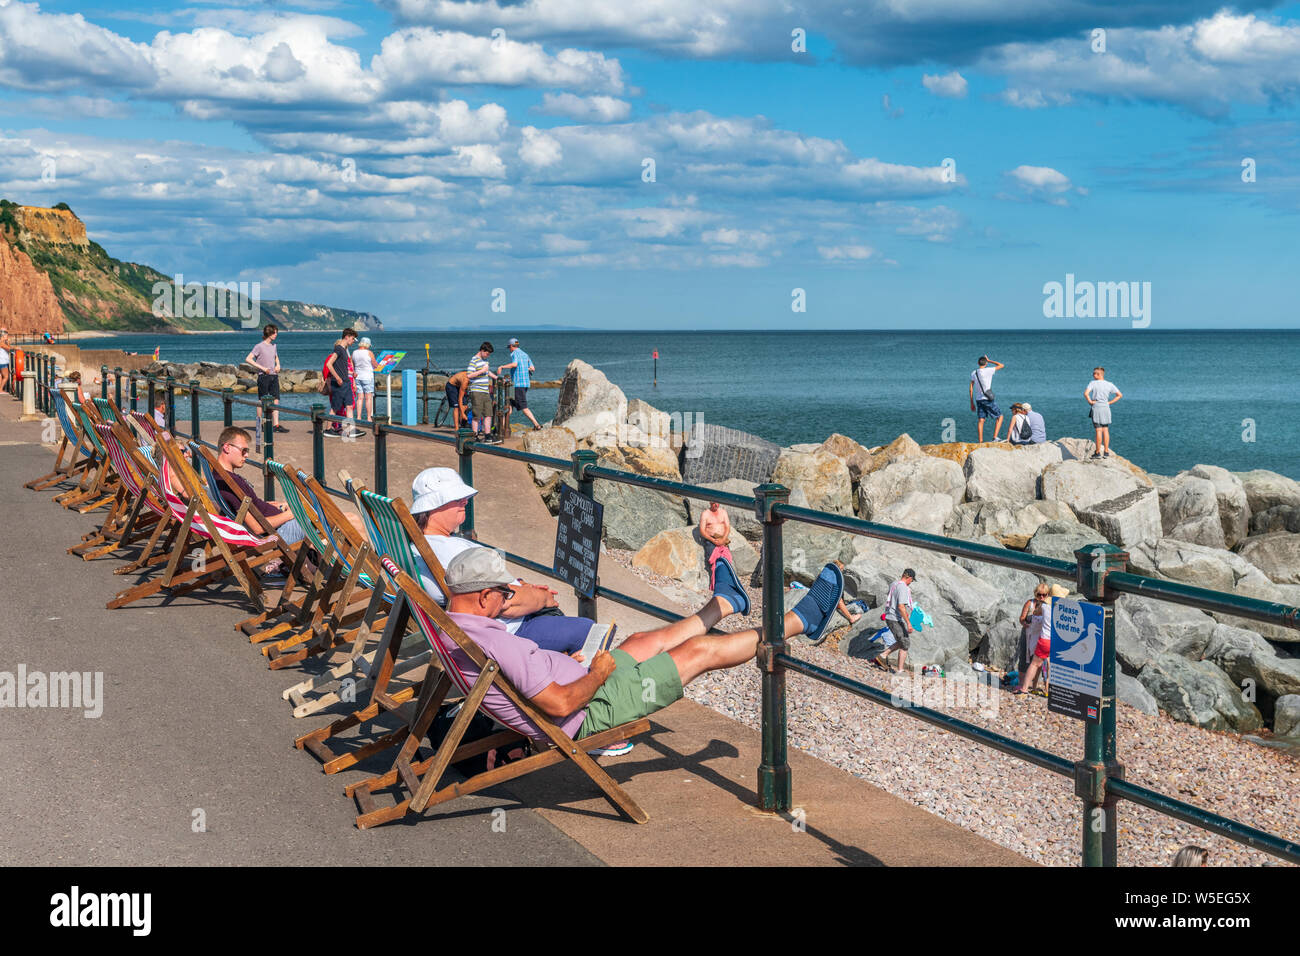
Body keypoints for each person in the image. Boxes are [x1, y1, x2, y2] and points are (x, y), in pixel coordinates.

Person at [439, 547, 845, 749]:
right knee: (697, 652)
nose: (507, 598)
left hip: (576, 681)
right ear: (481, 596)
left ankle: (723, 603)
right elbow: (560, 706)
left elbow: (523, 679)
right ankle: (800, 621)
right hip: (588, 709)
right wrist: (596, 674)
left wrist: (557, 663)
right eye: (503, 592)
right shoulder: (490, 638)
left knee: (640, 641)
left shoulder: (452, 625)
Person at [405, 467, 749, 656]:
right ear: (434, 508)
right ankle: (589, 719)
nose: (465, 504)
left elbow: (496, 596)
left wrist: (523, 591)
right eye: (458, 501)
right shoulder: (452, 553)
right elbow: (503, 605)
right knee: (597, 635)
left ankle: (720, 606)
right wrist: (540, 596)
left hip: (474, 635)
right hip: (507, 635)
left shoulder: (418, 548)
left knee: (613, 641)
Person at [211, 426, 305, 546]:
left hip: (277, 522)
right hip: (277, 532)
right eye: (243, 450)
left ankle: (306, 562)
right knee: (322, 519)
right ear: (227, 447)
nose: (246, 455)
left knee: (316, 518)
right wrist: (291, 513)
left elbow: (254, 505)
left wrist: (279, 506)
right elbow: (257, 528)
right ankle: (290, 562)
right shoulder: (228, 483)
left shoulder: (219, 476)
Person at [246, 323, 289, 434]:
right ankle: (259, 425)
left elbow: (276, 357)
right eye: (275, 332)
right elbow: (248, 359)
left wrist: (278, 365)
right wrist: (263, 368)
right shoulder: (259, 346)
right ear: (269, 333)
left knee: (276, 400)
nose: (276, 335)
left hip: (274, 376)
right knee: (261, 401)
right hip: (263, 376)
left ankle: (276, 425)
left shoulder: (274, 346)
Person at [324, 328, 364, 438]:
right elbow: (329, 364)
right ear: (346, 337)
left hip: (346, 382)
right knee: (335, 407)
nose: (353, 342)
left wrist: (350, 373)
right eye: (352, 339)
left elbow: (341, 366)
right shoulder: (338, 349)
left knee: (349, 406)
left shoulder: (344, 350)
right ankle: (328, 429)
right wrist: (337, 378)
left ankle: (351, 430)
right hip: (339, 384)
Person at [497, 337, 541, 431]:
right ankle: (501, 427)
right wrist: (525, 369)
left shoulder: (514, 353)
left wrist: (502, 367)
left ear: (512, 346)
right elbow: (532, 368)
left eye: (509, 347)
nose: (509, 349)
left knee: (523, 406)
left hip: (517, 384)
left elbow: (515, 364)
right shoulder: (525, 354)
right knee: (509, 406)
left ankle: (537, 424)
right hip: (524, 384)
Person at [877, 569, 916, 673]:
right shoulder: (903, 588)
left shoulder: (894, 584)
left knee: (902, 641)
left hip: (890, 616)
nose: (910, 583)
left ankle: (882, 656)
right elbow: (900, 606)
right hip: (895, 618)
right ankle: (900, 670)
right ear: (910, 578)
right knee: (905, 644)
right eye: (911, 581)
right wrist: (908, 623)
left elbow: (894, 600)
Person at [1016, 584, 1052, 695]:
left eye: (1044, 595)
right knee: (1024, 658)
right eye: (1039, 594)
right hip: (1028, 634)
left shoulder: (1046, 606)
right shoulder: (1030, 603)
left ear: (1047, 595)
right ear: (1035, 594)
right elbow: (1021, 618)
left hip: (1041, 637)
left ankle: (1043, 687)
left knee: (1042, 663)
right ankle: (1023, 683)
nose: (1041, 597)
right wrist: (1025, 623)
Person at [1084, 366, 1122, 459]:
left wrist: (1090, 401)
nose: (1093, 375)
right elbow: (1119, 395)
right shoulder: (1109, 384)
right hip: (1106, 407)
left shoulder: (1093, 383)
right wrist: (1109, 402)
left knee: (1098, 430)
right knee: (1105, 430)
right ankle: (1106, 452)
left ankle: (1097, 452)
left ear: (1098, 374)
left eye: (1094, 373)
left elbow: (1086, 393)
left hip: (1097, 407)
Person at [466, 342, 497, 441]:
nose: (488, 356)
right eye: (487, 353)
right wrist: (481, 371)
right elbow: (469, 375)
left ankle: (488, 435)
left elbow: (487, 372)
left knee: (488, 413)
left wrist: (497, 378)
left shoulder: (485, 360)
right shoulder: (473, 360)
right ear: (482, 351)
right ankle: (474, 436)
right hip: (476, 391)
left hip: (485, 391)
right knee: (477, 414)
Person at [969, 355, 1004, 442]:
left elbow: (970, 388)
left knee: (981, 419)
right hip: (987, 399)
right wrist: (990, 360)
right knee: (1000, 416)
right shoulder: (989, 370)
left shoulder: (974, 373)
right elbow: (1001, 365)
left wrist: (971, 403)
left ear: (978, 363)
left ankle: (980, 441)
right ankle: (995, 437)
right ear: (986, 363)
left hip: (978, 399)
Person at [698, 500, 732, 586]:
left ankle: (726, 582)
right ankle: (716, 583)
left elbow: (727, 527)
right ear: (709, 502)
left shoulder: (723, 512)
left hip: (723, 539)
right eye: (713, 503)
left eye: (717, 503)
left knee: (726, 560)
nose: (716, 505)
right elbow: (702, 531)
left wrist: (723, 539)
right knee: (714, 562)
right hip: (711, 540)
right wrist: (713, 540)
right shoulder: (705, 514)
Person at [352, 336, 376, 422]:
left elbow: (352, 365)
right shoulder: (369, 353)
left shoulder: (354, 352)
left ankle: (358, 417)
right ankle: (369, 418)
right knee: (368, 398)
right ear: (367, 344)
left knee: (359, 398)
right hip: (368, 377)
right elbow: (375, 364)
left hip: (358, 377)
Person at [0, 327, 10, 394]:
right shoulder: (2, 343)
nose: (7, 337)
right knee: (6, 376)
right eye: (6, 335)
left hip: (1, 361)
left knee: (1, 375)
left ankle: (0, 389)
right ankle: (0, 390)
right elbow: (8, 348)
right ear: (3, 336)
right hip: (3, 361)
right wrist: (16, 348)